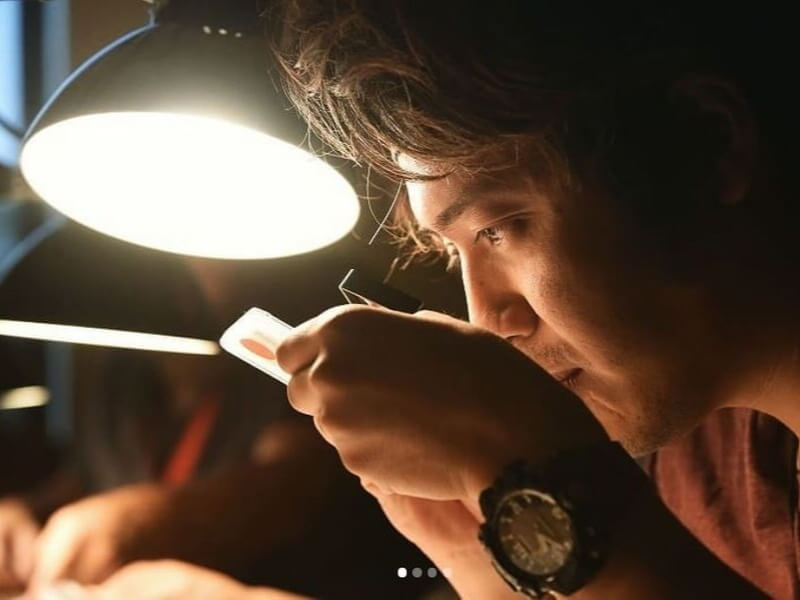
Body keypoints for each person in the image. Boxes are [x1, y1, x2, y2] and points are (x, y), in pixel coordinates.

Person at [253, 2, 797, 599]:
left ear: (706, 145)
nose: (488, 319)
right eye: (452, 251)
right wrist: (481, 559)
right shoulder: (703, 463)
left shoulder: (650, 479)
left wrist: (554, 477)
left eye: (498, 228)